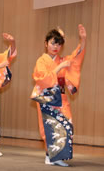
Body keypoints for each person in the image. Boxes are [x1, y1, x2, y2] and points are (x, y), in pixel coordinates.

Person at [31, 24, 86, 166]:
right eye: (53, 43)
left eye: (59, 44)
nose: (56, 47)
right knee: (49, 126)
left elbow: (76, 57)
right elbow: (42, 79)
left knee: (66, 123)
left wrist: (83, 40)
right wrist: (60, 67)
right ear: (46, 44)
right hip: (47, 98)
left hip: (61, 98)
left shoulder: (62, 60)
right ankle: (50, 156)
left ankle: (57, 156)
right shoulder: (41, 61)